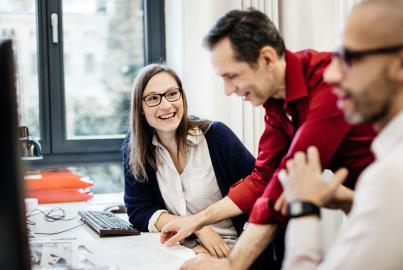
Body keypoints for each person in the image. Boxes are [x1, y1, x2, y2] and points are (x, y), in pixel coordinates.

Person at [160, 8, 377, 270]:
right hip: (368, 204)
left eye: (232, 76)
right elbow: (263, 177)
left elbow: (281, 184)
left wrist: (232, 264)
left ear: (267, 58)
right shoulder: (276, 103)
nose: (229, 91)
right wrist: (196, 221)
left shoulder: (327, 85)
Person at [279, 0, 403, 269]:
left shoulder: (391, 177)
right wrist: (352, 203)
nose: (332, 75)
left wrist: (303, 206)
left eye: (348, 57)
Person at [122, 64, 255, 257]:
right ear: (140, 108)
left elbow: (259, 193)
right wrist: (196, 226)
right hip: (183, 249)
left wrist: (238, 256)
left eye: (172, 94)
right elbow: (139, 210)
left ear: (182, 97)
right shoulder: (135, 147)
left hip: (234, 251)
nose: (166, 105)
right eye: (152, 98)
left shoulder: (216, 136)